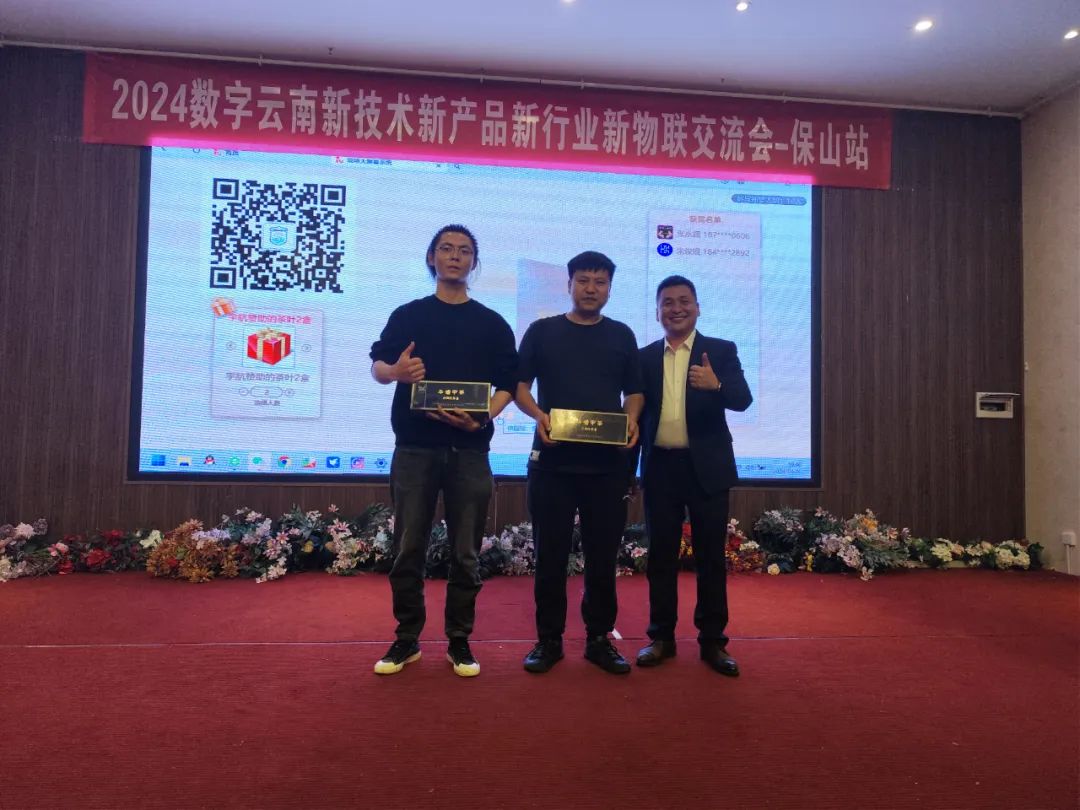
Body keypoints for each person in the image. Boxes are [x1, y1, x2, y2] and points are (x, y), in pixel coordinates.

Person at [369, 224, 517, 678]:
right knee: (407, 548)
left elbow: (508, 385)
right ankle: (407, 638)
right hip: (415, 449)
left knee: (466, 554)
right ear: (431, 258)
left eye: (465, 250)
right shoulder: (408, 315)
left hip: (469, 452)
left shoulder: (492, 323)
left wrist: (483, 417)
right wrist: (396, 371)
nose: (455, 256)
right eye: (446, 249)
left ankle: (459, 640)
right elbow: (378, 367)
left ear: (474, 262)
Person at [515, 251, 644, 675]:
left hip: (606, 468)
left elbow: (635, 391)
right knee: (550, 557)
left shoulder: (622, 335)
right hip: (552, 464)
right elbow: (519, 386)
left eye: (600, 282)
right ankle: (548, 640)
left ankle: (598, 639)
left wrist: (631, 419)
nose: (591, 288)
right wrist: (539, 416)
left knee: (602, 559)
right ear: (568, 284)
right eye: (584, 280)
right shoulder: (542, 331)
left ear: (609, 288)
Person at [634, 275, 752, 676]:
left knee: (710, 558)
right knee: (660, 558)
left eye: (684, 301)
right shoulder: (645, 357)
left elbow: (743, 400)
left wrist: (716, 385)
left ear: (698, 308)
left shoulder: (719, 350)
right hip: (661, 468)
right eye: (667, 302)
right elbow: (638, 417)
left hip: (707, 469)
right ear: (657, 312)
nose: (676, 308)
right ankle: (661, 637)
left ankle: (713, 641)